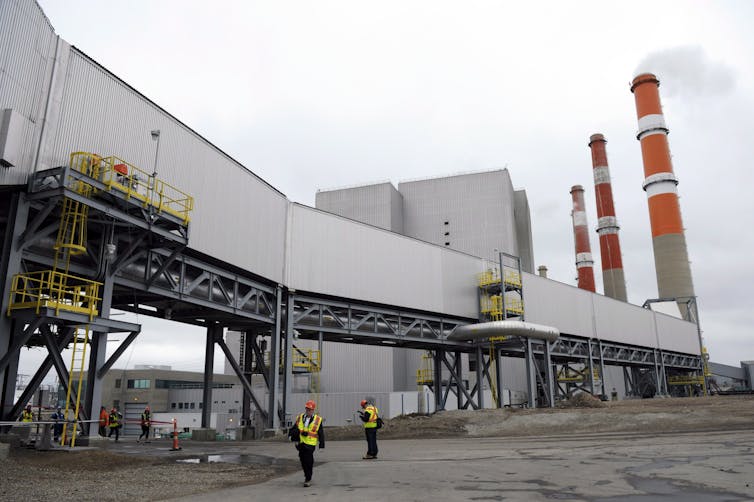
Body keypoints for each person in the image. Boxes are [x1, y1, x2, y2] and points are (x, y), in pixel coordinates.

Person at [291, 400, 325, 487]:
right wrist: (291, 436)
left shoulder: (318, 419)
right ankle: (307, 474)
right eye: (307, 409)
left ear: (313, 410)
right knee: (302, 460)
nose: (308, 411)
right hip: (301, 443)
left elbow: (321, 433)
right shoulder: (300, 417)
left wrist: (321, 445)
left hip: (310, 444)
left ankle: (308, 479)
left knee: (308, 461)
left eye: (310, 409)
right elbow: (294, 428)